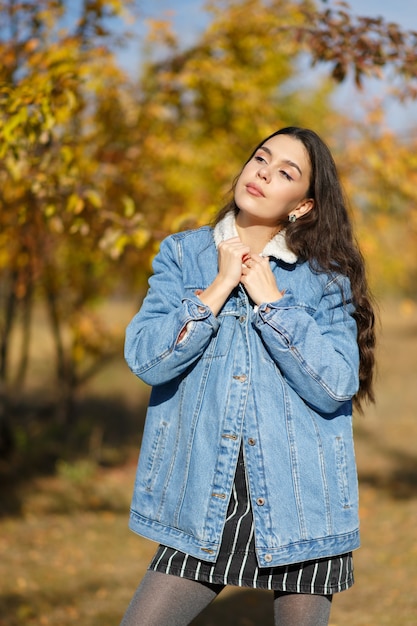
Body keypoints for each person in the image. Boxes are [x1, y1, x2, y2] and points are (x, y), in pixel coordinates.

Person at [121, 127, 376, 626]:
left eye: (286, 172)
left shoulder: (325, 278)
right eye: (261, 158)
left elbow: (336, 385)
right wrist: (217, 287)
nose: (263, 172)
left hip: (301, 499)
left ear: (302, 206)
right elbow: (146, 360)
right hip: (202, 499)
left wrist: (273, 304)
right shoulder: (182, 254)